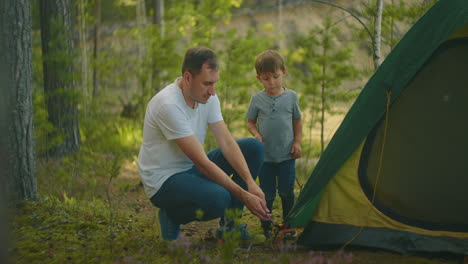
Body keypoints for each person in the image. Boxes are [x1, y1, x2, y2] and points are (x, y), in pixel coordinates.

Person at [138, 47, 270, 241]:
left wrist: (250, 183)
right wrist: (244, 195)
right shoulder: (168, 105)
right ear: (188, 77)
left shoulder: (208, 97)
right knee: (219, 199)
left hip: (191, 168)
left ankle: (229, 228)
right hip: (164, 180)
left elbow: (226, 141)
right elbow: (202, 163)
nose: (212, 91)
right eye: (207, 84)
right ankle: (171, 215)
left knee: (253, 148)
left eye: (215, 83)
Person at [246, 50, 303, 239]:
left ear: (284, 72)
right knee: (267, 194)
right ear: (259, 78)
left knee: (287, 192)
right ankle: (266, 228)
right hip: (265, 158)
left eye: (276, 77)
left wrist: (297, 142)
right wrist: (256, 135)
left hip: (287, 155)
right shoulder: (257, 99)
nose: (271, 83)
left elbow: (297, 120)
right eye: (266, 79)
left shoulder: (292, 97)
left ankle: (289, 226)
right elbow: (250, 122)